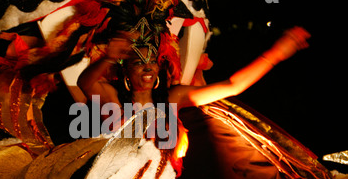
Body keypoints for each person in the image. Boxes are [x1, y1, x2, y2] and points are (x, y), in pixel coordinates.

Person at [77, 26, 310, 129]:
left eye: (151, 62)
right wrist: (108, 57)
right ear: (125, 70)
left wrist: (276, 54)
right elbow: (84, 83)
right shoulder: (112, 97)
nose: (147, 68)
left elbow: (232, 86)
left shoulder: (172, 98)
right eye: (138, 63)